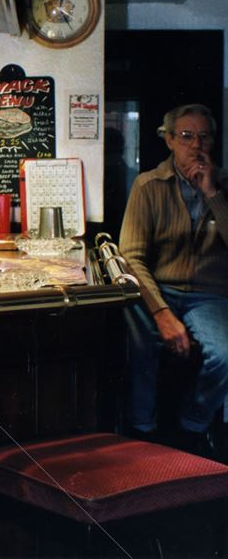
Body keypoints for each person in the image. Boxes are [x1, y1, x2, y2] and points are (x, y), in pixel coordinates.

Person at [120, 103, 228, 454]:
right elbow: (132, 258)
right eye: (185, 136)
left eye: (203, 137)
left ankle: (191, 428)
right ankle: (142, 430)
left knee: (225, 354)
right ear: (168, 141)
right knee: (138, 343)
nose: (196, 145)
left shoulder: (224, 185)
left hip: (207, 296)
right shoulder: (148, 185)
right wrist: (162, 314)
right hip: (157, 287)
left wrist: (213, 194)